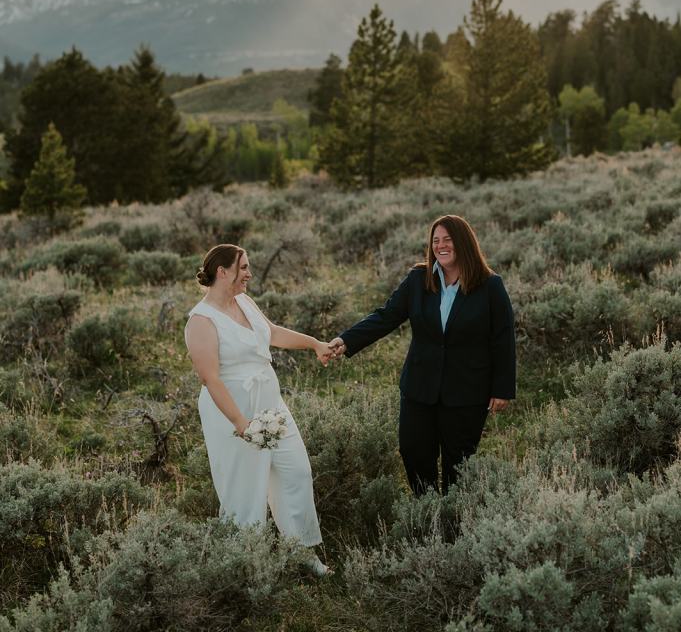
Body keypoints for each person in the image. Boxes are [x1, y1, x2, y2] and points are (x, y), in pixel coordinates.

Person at [328, 214, 515, 495]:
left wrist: (502, 389)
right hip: (419, 387)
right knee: (413, 452)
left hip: (467, 391)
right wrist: (346, 340)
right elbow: (386, 316)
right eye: (435, 241)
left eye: (447, 240)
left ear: (463, 243)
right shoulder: (419, 279)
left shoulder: (490, 286)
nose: (440, 246)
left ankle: (453, 526)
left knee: (459, 463)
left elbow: (503, 339)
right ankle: (427, 511)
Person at [184, 243, 332, 575]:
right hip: (234, 413)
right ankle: (243, 565)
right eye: (244, 267)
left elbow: (273, 333)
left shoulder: (245, 302)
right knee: (244, 489)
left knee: (295, 472)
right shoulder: (201, 321)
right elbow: (210, 379)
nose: (250, 274)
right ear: (223, 272)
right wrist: (241, 423)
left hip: (270, 404)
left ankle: (301, 553)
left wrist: (314, 344)